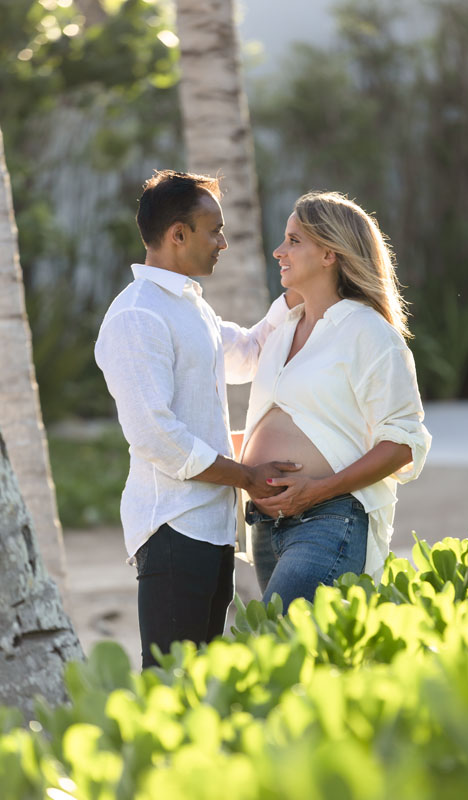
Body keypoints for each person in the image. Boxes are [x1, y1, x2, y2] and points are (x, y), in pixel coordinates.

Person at [94, 170, 298, 668]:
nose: (223, 242)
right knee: (169, 684)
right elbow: (156, 437)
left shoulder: (190, 306)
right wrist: (246, 477)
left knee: (201, 682)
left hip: (212, 529)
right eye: (214, 230)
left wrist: (300, 292)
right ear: (177, 235)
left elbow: (249, 354)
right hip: (172, 529)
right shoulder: (137, 316)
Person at [240, 191, 431, 609]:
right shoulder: (282, 328)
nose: (278, 251)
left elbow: (402, 443)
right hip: (265, 527)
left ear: (329, 253)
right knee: (300, 665)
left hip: (328, 519)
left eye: (293, 241)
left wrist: (318, 490)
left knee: (274, 646)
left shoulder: (369, 332)